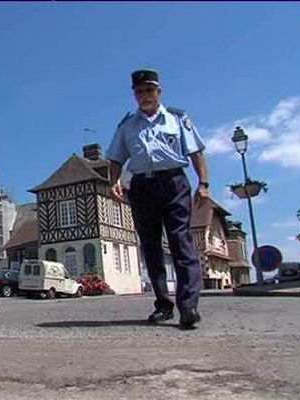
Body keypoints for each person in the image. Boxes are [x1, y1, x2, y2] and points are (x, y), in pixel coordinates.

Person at [105, 68, 209, 329]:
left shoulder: (177, 119)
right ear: (134, 95)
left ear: (158, 92)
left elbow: (196, 152)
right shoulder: (127, 126)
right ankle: (163, 305)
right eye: (139, 92)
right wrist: (113, 181)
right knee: (150, 247)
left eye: (149, 90)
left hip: (174, 182)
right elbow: (116, 158)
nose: (144, 96)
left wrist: (203, 183)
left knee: (180, 242)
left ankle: (188, 306)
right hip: (142, 186)